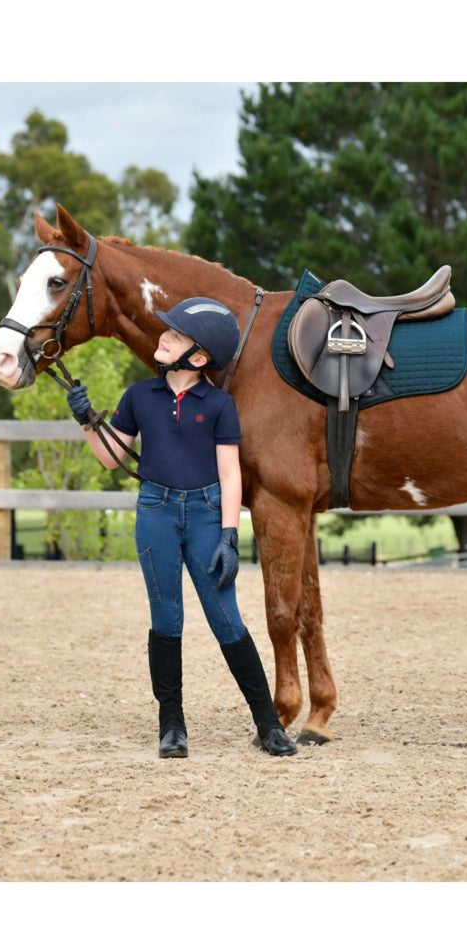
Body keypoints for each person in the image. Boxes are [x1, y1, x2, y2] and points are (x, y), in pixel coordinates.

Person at [65, 298, 297, 759]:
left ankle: (268, 725)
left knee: (226, 619)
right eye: (166, 331)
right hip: (156, 512)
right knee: (166, 619)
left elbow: (231, 475)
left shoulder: (218, 404)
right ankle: (172, 725)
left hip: (208, 514)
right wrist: (87, 420)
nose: (163, 337)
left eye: (175, 335)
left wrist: (230, 536)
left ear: (199, 356)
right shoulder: (138, 397)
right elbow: (112, 458)